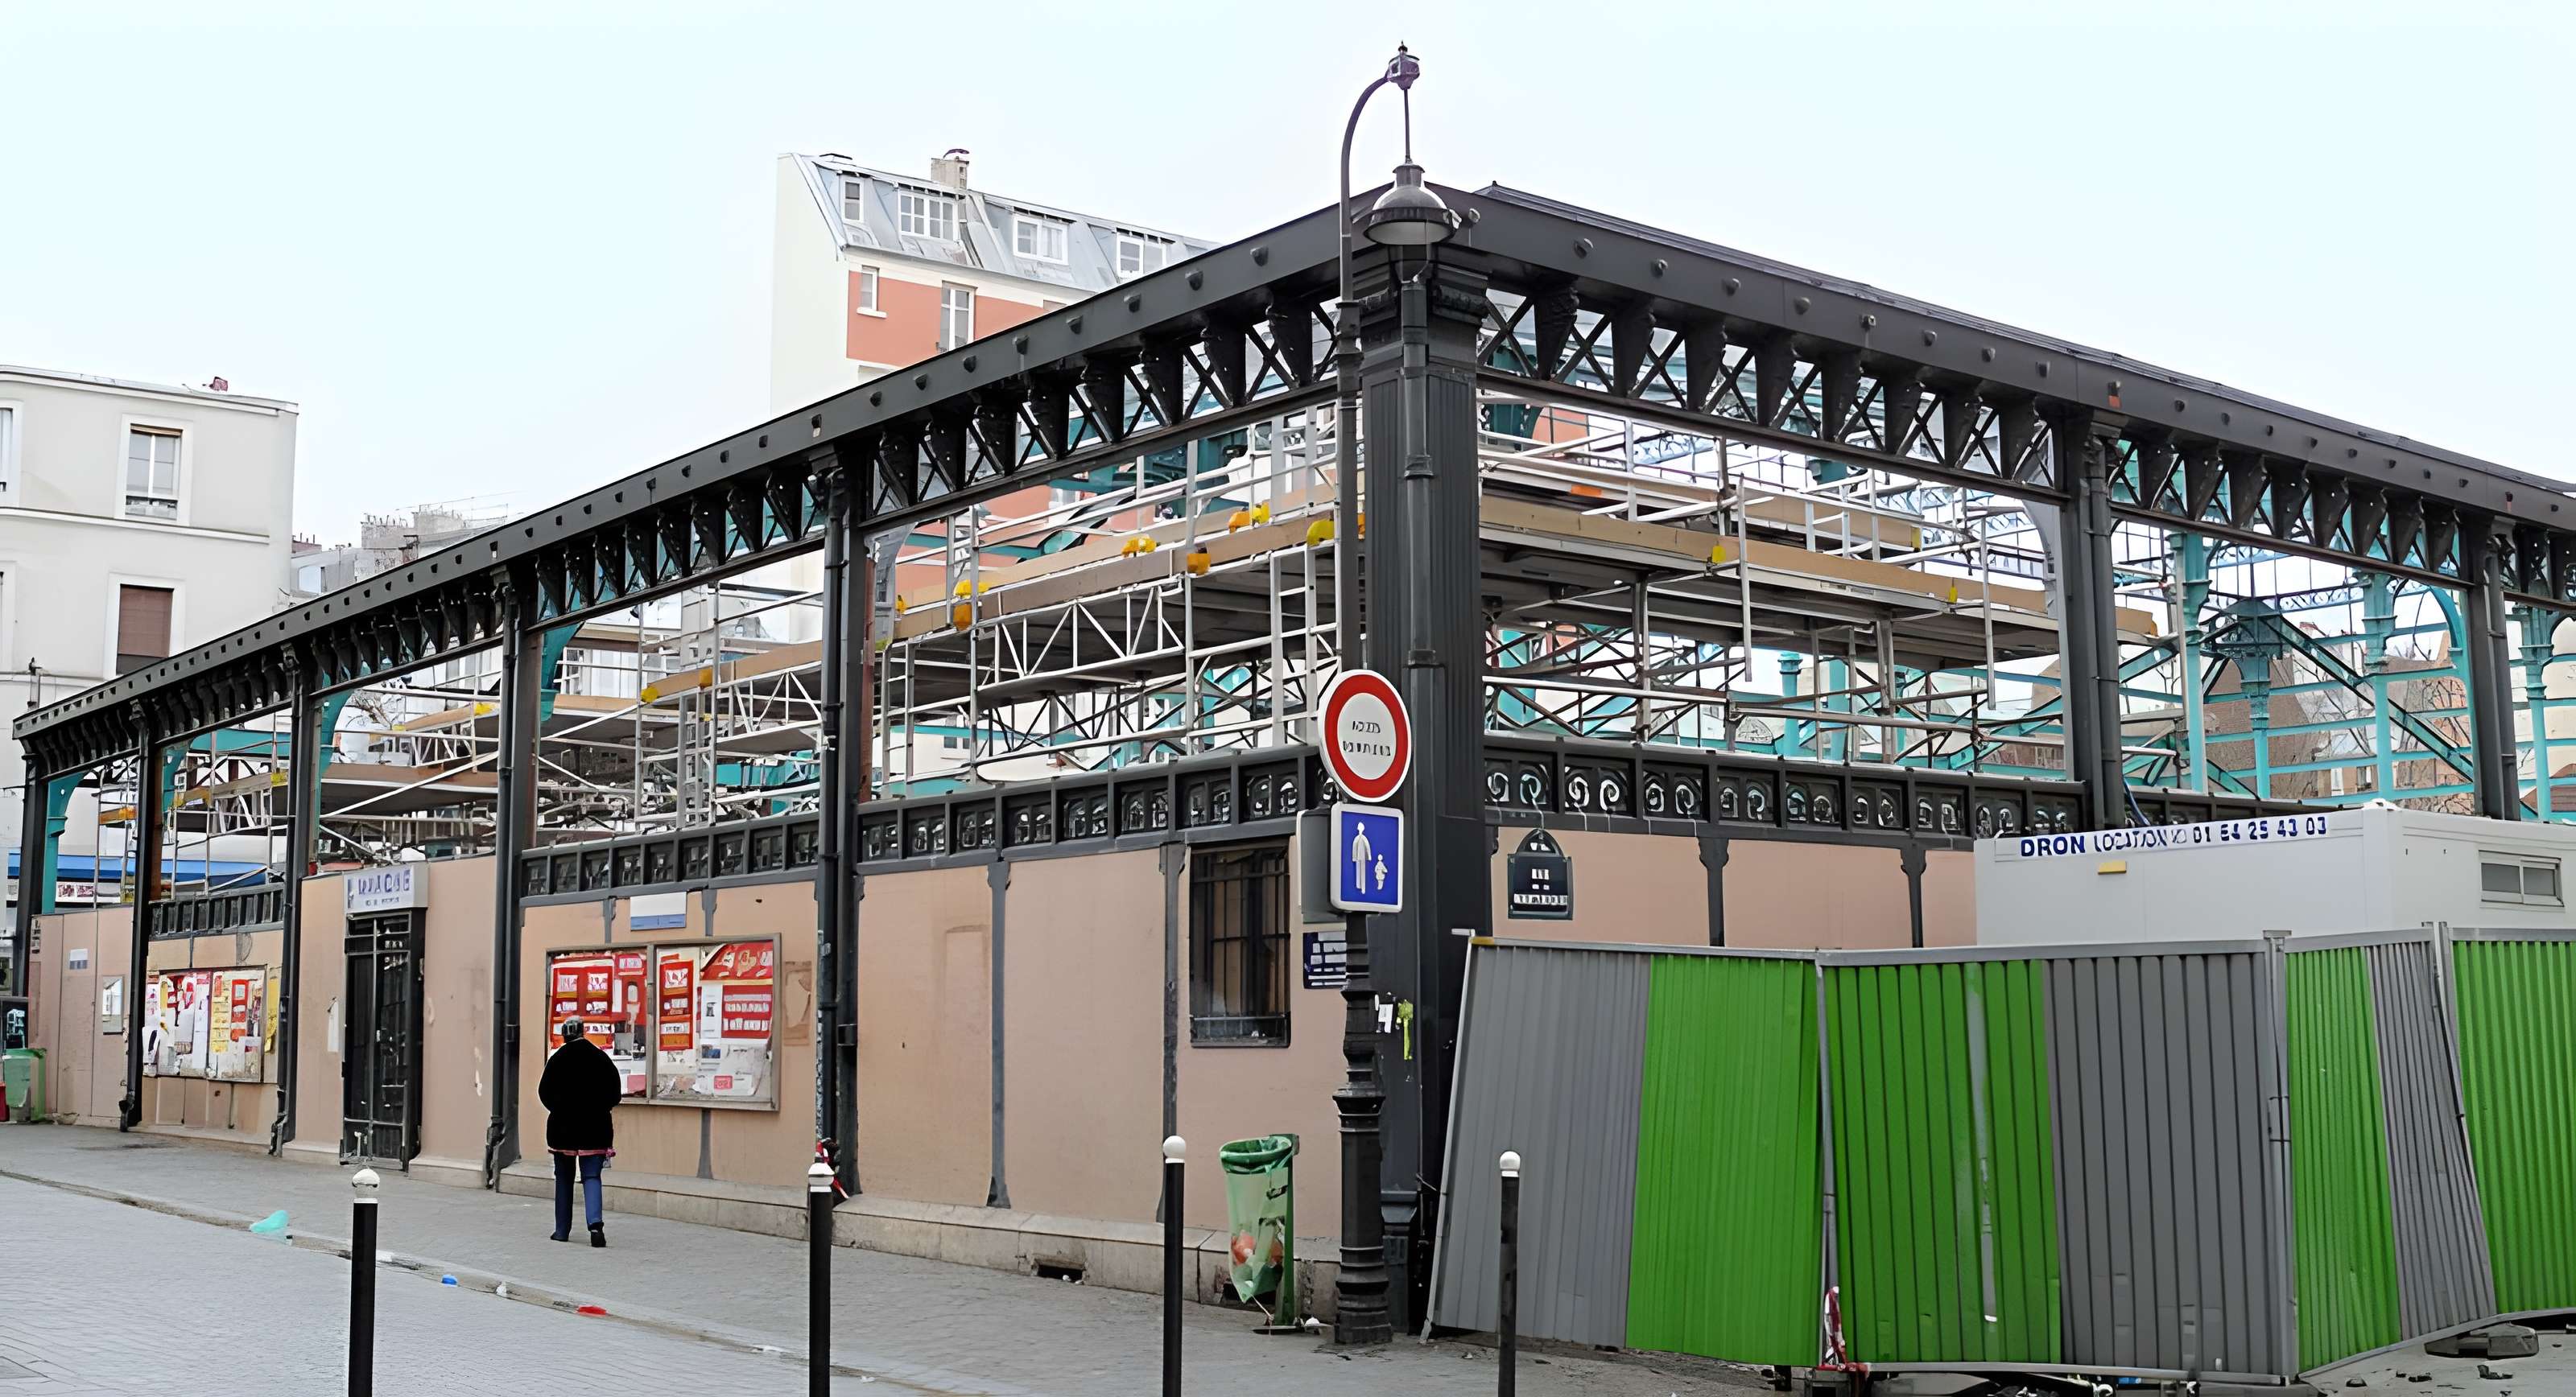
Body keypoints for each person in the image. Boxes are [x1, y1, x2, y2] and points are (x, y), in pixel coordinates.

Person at [538, 1018, 621, 1247]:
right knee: (592, 1177)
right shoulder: (601, 1059)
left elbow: (544, 1093)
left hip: (563, 1129)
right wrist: (599, 1109)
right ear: (583, 1033)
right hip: (595, 1128)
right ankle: (595, 1227)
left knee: (563, 1179)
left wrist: (561, 1109)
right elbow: (615, 1094)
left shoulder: (557, 1060)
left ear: (564, 1036)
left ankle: (562, 1230)